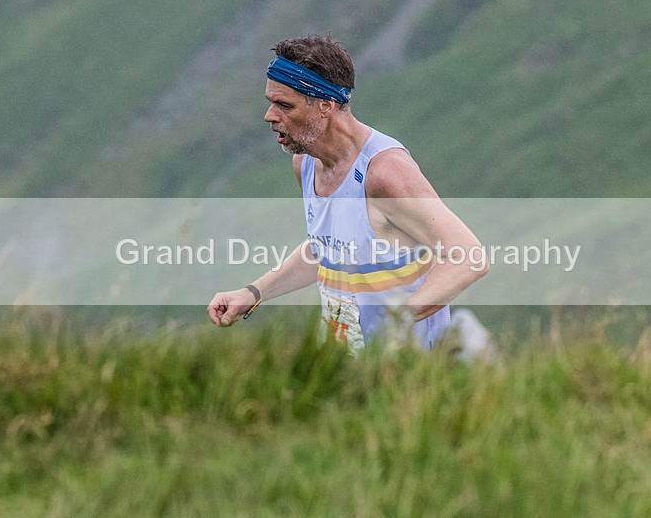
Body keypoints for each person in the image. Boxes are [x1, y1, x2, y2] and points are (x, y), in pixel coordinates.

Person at [208, 35, 487, 352]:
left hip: (409, 372)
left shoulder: (384, 173)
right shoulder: (306, 164)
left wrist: (397, 322)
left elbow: (468, 258)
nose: (269, 116)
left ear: (325, 105)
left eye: (285, 105)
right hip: (346, 366)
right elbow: (326, 249)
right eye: (270, 102)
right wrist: (252, 293)